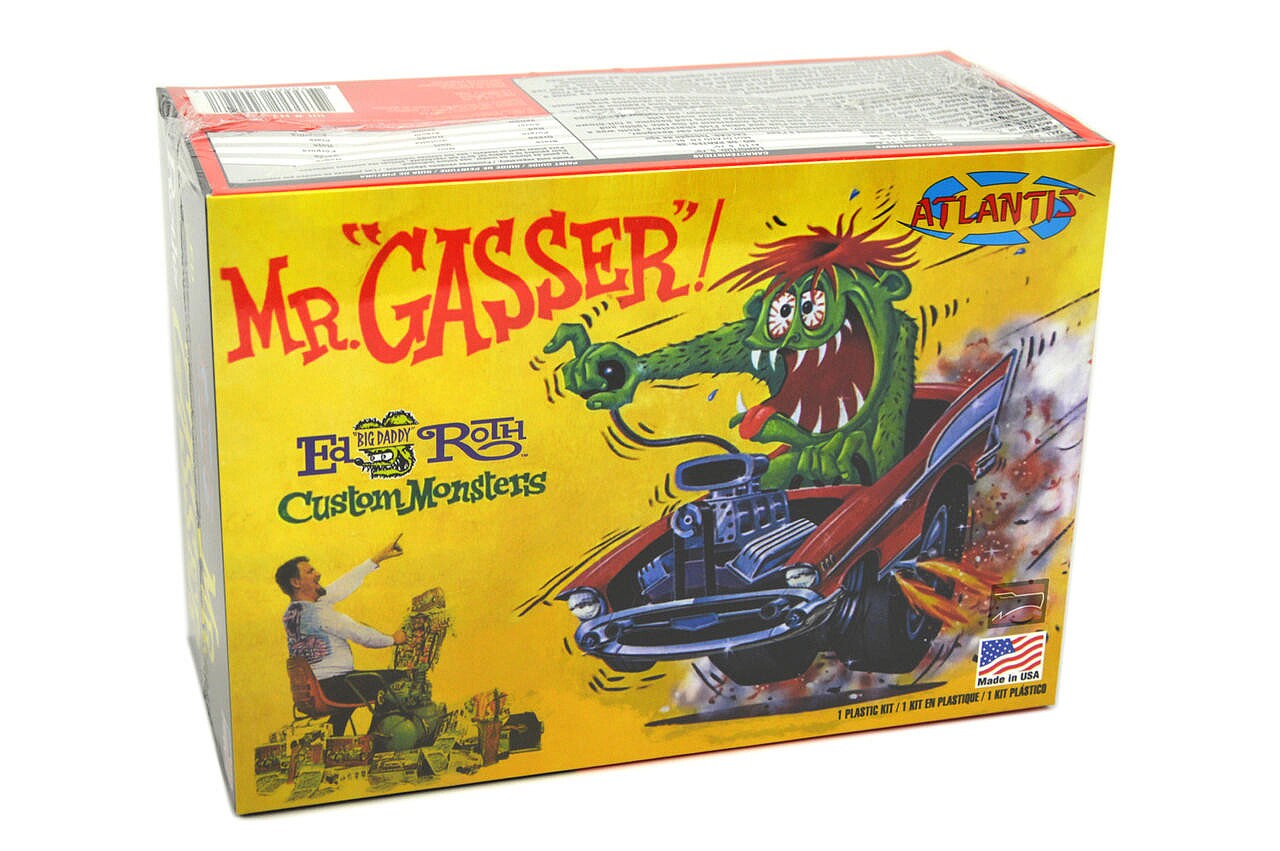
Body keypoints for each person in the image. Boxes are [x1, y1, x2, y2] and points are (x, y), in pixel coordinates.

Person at [275, 537, 408, 735]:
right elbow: (360, 634)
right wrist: (393, 639)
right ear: (296, 582)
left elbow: (340, 586)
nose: (318, 573)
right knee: (401, 680)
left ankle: (336, 735)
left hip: (317, 687)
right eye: (310, 572)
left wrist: (376, 559)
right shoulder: (319, 613)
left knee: (357, 682)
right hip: (335, 686)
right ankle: (376, 739)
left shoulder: (294, 613)